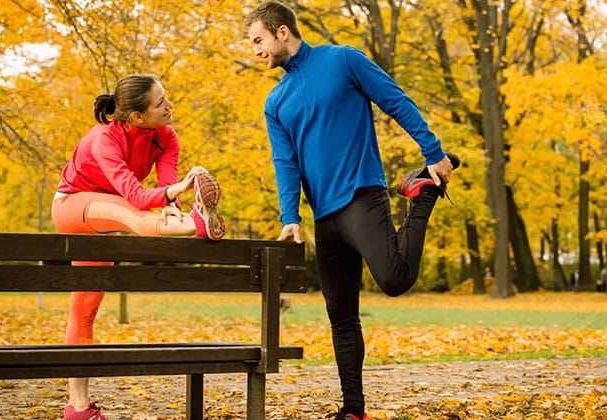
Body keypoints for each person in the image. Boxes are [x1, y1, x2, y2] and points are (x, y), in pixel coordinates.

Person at [244, 3, 459, 419]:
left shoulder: (343, 60)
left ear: (282, 31)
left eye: (258, 40)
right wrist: (290, 217)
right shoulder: (275, 101)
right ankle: (353, 410)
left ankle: (422, 193)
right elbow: (285, 162)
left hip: (362, 195)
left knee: (395, 278)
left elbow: (395, 100)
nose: (255, 50)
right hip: (324, 217)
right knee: (341, 317)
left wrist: (432, 152)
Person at [51, 73, 225, 420]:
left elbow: (165, 188)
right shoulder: (105, 140)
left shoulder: (166, 136)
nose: (169, 106)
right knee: (131, 212)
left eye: (166, 97)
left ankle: (77, 408)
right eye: (161, 103)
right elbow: (136, 196)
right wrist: (177, 192)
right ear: (137, 117)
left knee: (85, 310)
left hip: (105, 220)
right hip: (73, 206)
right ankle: (197, 224)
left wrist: (174, 201)